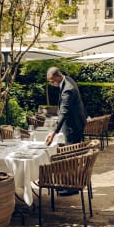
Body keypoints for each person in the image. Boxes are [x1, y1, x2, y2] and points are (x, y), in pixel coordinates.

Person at [45, 67, 87, 196]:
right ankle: (67, 183)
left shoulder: (68, 89)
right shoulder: (68, 79)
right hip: (76, 122)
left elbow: (64, 112)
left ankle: (72, 187)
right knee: (70, 156)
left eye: (52, 81)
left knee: (71, 157)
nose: (52, 84)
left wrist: (54, 132)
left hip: (73, 126)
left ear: (58, 76)